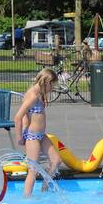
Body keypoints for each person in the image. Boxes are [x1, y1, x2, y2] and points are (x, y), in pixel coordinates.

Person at [14, 68, 62, 197]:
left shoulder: (38, 92)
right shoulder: (33, 95)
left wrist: (25, 124)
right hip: (33, 137)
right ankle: (27, 198)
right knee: (33, 170)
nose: (52, 89)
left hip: (41, 135)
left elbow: (26, 115)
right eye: (52, 85)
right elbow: (18, 116)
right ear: (47, 82)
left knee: (56, 160)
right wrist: (20, 136)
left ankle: (44, 188)